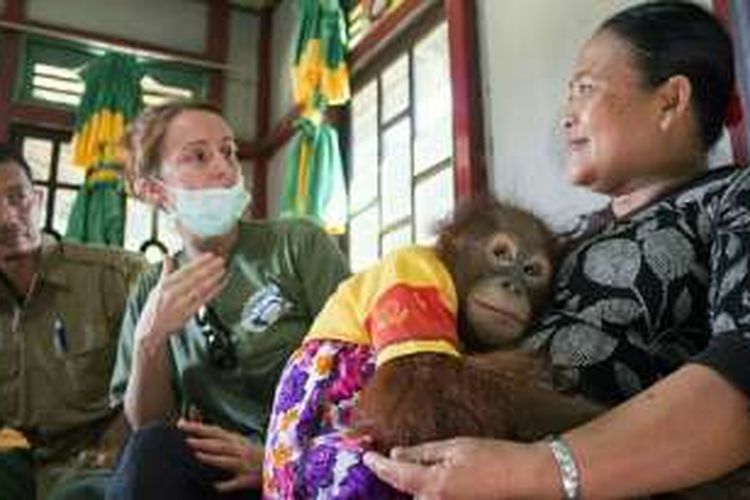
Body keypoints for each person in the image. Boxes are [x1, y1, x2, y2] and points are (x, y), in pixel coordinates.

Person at [363, 2, 750, 498]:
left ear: (670, 100)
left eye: (585, 89)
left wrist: (529, 472)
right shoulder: (563, 236)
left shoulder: (731, 198)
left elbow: (742, 377)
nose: (566, 116)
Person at [105, 101, 349, 500]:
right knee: (151, 452)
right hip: (218, 472)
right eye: (198, 157)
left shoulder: (297, 244)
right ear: (155, 189)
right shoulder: (152, 290)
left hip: (313, 458)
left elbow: (357, 375)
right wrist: (150, 340)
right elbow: (150, 423)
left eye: (228, 152)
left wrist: (278, 460)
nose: (224, 168)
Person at [0, 144, 147, 500]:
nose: (6, 218)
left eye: (16, 197)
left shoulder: (118, 276)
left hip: (98, 463)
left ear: (37, 199)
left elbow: (170, 378)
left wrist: (113, 447)